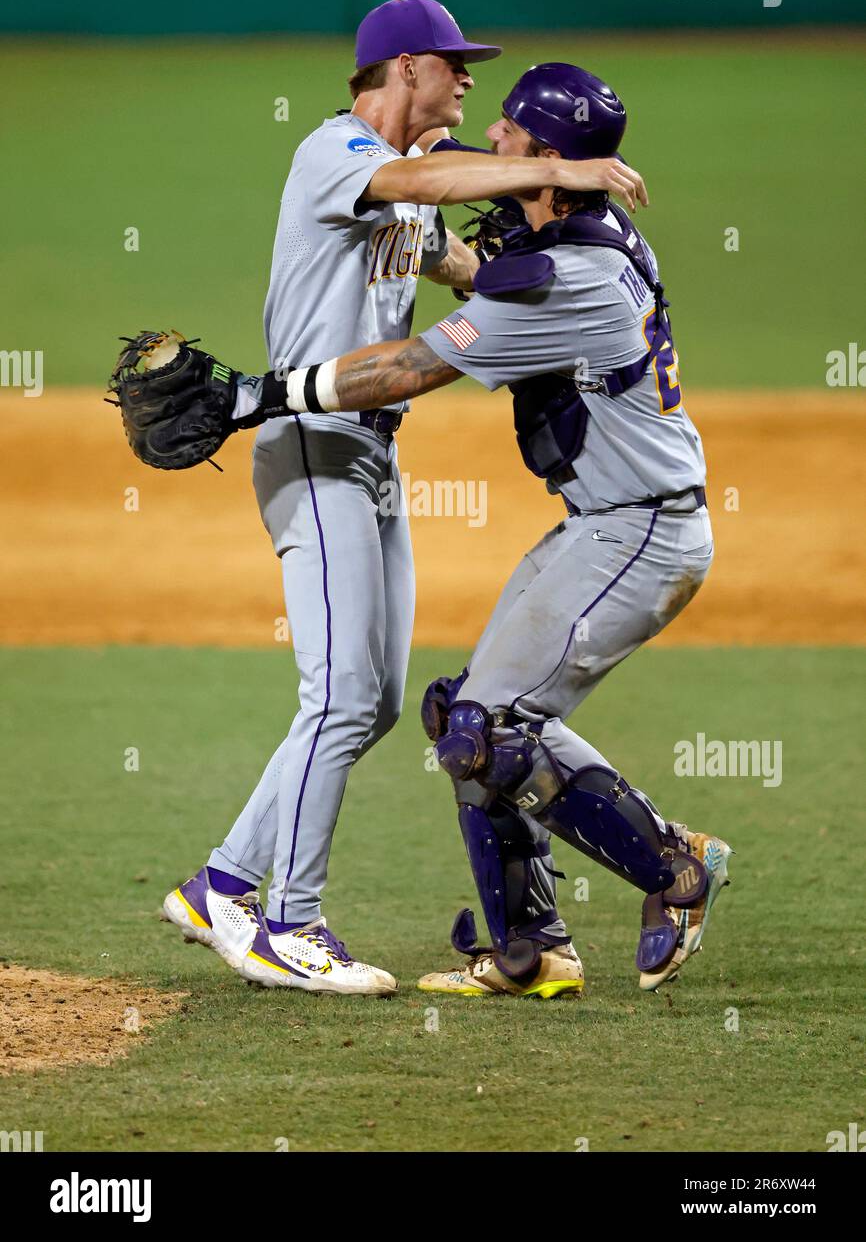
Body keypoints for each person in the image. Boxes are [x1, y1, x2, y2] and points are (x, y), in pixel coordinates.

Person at [161, 3, 648, 997]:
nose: (467, 86)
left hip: (367, 456)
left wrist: (531, 289)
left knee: (370, 701)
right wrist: (555, 168)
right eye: (456, 70)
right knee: (336, 696)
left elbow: (446, 254)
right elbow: (417, 179)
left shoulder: (404, 183)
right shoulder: (335, 151)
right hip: (311, 441)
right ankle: (287, 921)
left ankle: (223, 885)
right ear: (409, 67)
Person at [267, 62, 732, 997]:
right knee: (461, 721)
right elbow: (478, 273)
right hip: (607, 525)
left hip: (641, 536)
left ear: (551, 160)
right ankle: (531, 950)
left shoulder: (571, 277)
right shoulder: (577, 233)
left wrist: (264, 395)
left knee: (488, 728)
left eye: (511, 140)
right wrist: (429, 236)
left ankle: (677, 872)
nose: (492, 151)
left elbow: (406, 368)